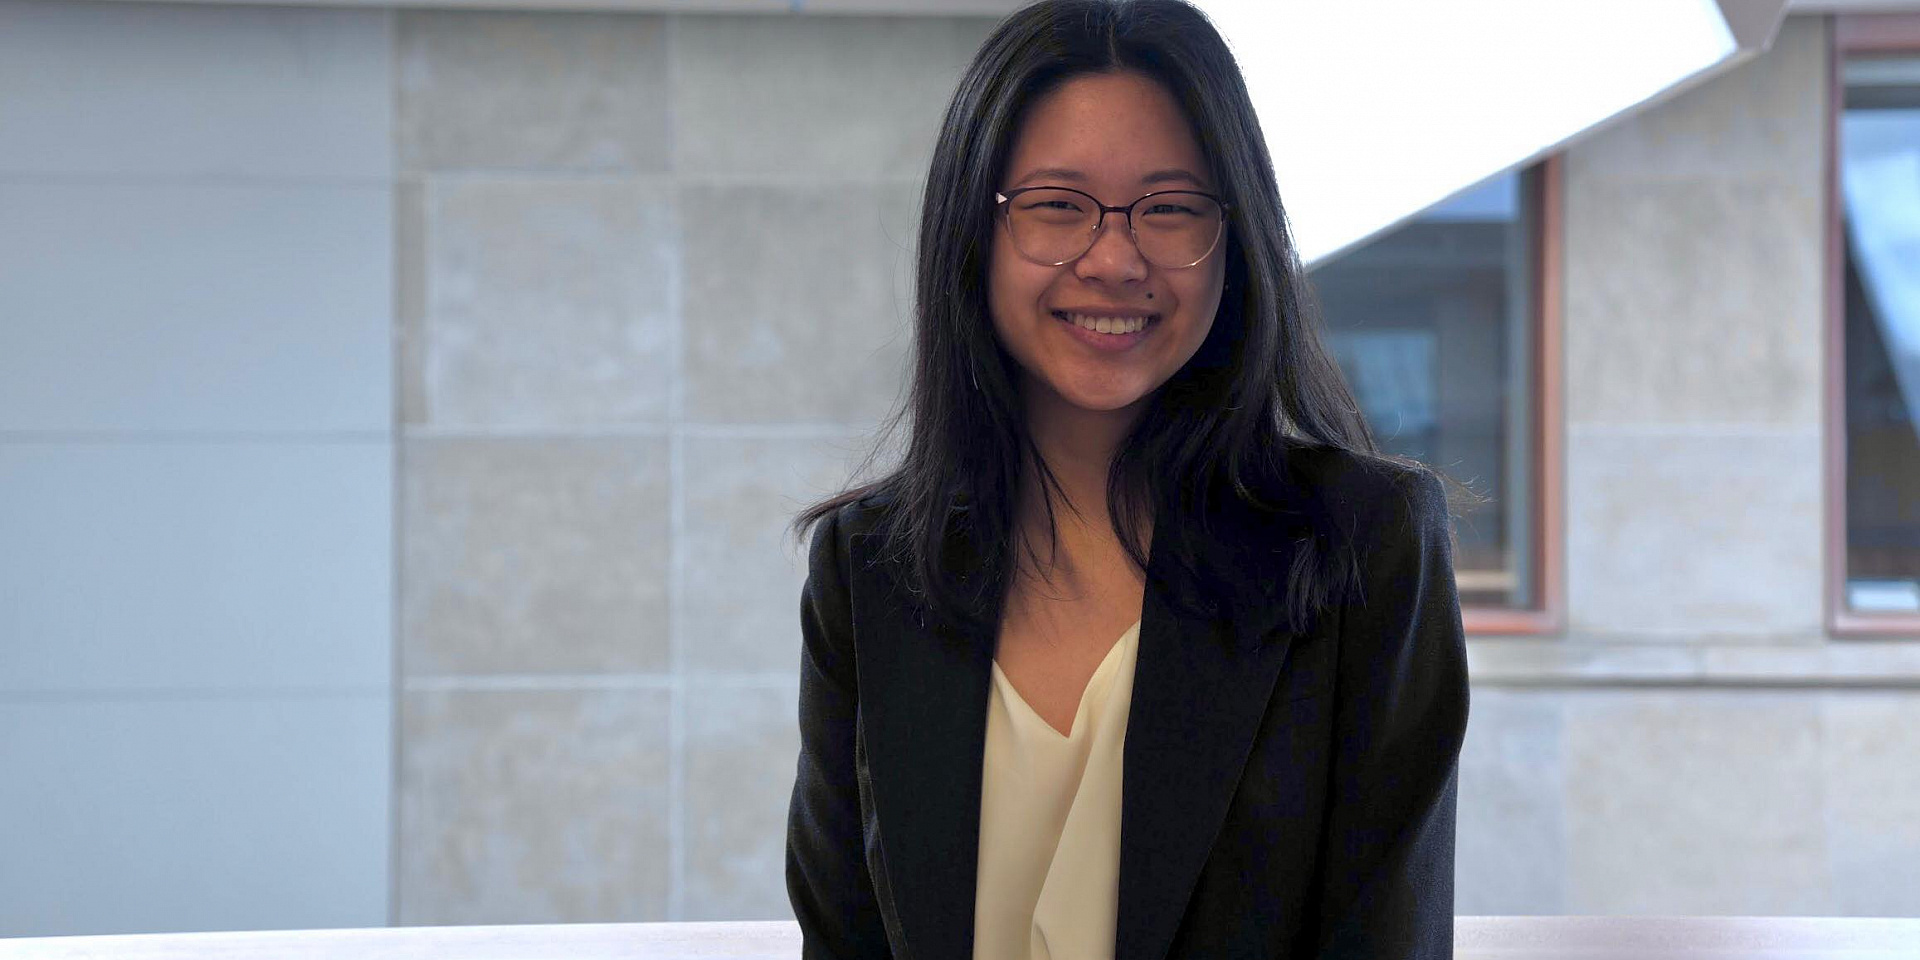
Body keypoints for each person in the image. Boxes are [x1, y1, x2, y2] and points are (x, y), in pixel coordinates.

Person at [785, 0, 1471, 957]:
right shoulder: (869, 568)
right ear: (972, 238)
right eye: (1057, 205)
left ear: (1235, 239)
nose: (1114, 259)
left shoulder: (1366, 545)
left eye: (1171, 208)